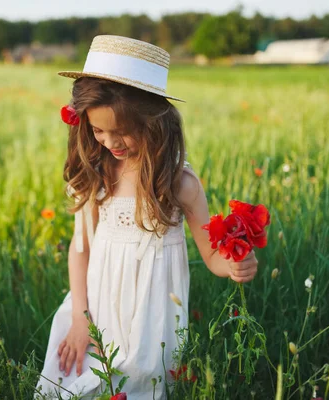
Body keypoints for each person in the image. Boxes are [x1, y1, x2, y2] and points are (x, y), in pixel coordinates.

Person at [34, 35, 258, 399]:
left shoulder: (179, 184)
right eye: (97, 130)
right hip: (95, 312)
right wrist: (79, 318)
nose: (109, 141)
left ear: (152, 121)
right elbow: (81, 250)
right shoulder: (98, 175)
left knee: (142, 382)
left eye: (122, 132)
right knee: (78, 385)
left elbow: (213, 257)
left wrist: (236, 265)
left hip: (151, 320)